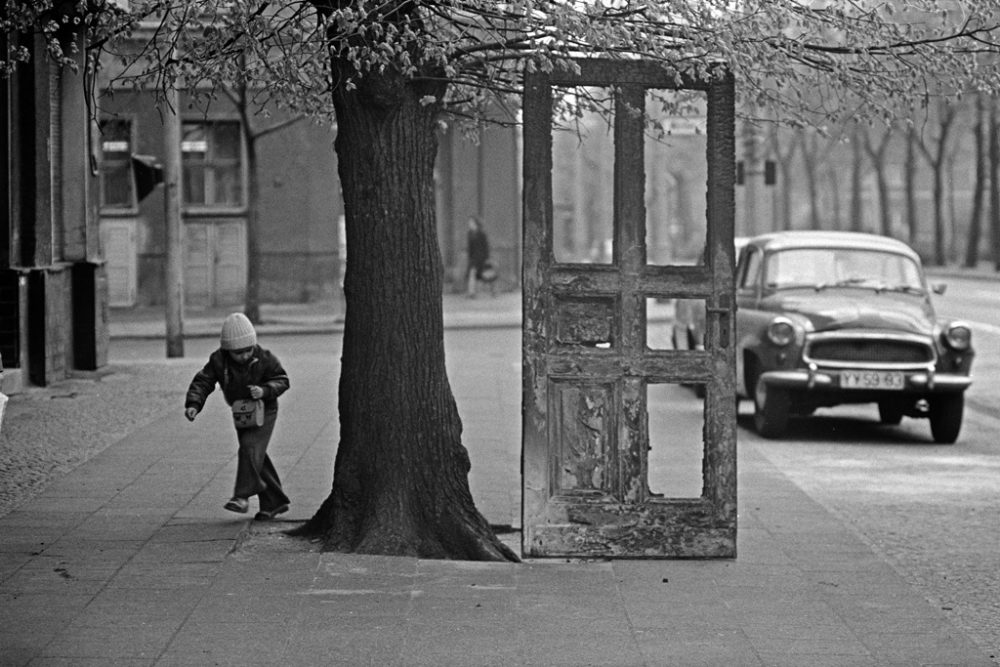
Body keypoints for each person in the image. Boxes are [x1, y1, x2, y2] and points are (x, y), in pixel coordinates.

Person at [184, 313, 291, 520]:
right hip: (241, 412)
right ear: (227, 350)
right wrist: (194, 404)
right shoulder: (218, 360)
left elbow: (282, 379)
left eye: (248, 350)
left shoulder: (264, 357)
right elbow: (203, 381)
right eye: (238, 352)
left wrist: (265, 390)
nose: (244, 356)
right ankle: (274, 502)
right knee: (254, 455)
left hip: (264, 410)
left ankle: (241, 497)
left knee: (249, 448)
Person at [465, 216, 494, 297]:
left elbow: (486, 246)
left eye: (471, 222)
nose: (469, 224)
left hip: (481, 257)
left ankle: (491, 290)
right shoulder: (470, 234)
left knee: (483, 274)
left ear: (475, 223)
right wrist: (470, 257)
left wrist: (487, 258)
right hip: (473, 258)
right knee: (472, 273)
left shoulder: (482, 234)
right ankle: (472, 292)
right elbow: (470, 247)